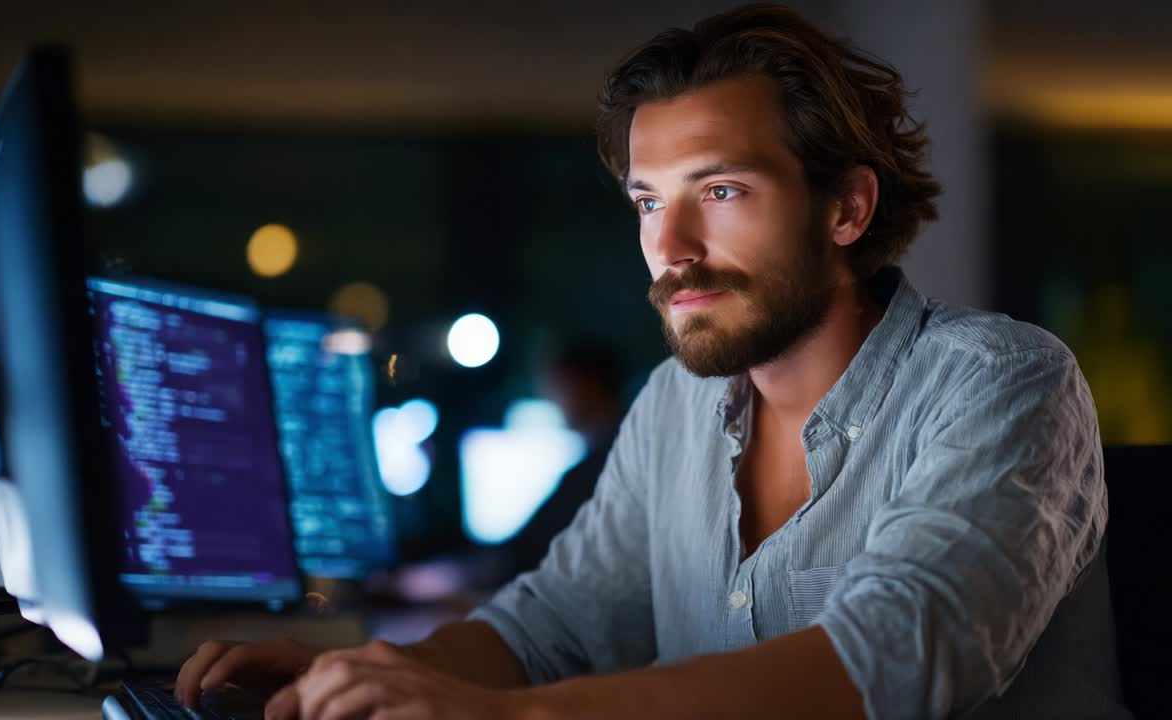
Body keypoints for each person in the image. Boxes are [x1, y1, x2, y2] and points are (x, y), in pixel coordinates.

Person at [175, 4, 1129, 718]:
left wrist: (517, 718)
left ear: (846, 209)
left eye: (719, 190)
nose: (670, 246)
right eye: (645, 201)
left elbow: (897, 654)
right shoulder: (676, 401)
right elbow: (554, 625)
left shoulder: (1002, 380)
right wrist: (367, 673)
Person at [504, 341, 625, 576]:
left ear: (588, 386)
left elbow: (530, 550)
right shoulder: (609, 455)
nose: (551, 398)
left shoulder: (601, 468)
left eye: (558, 386)